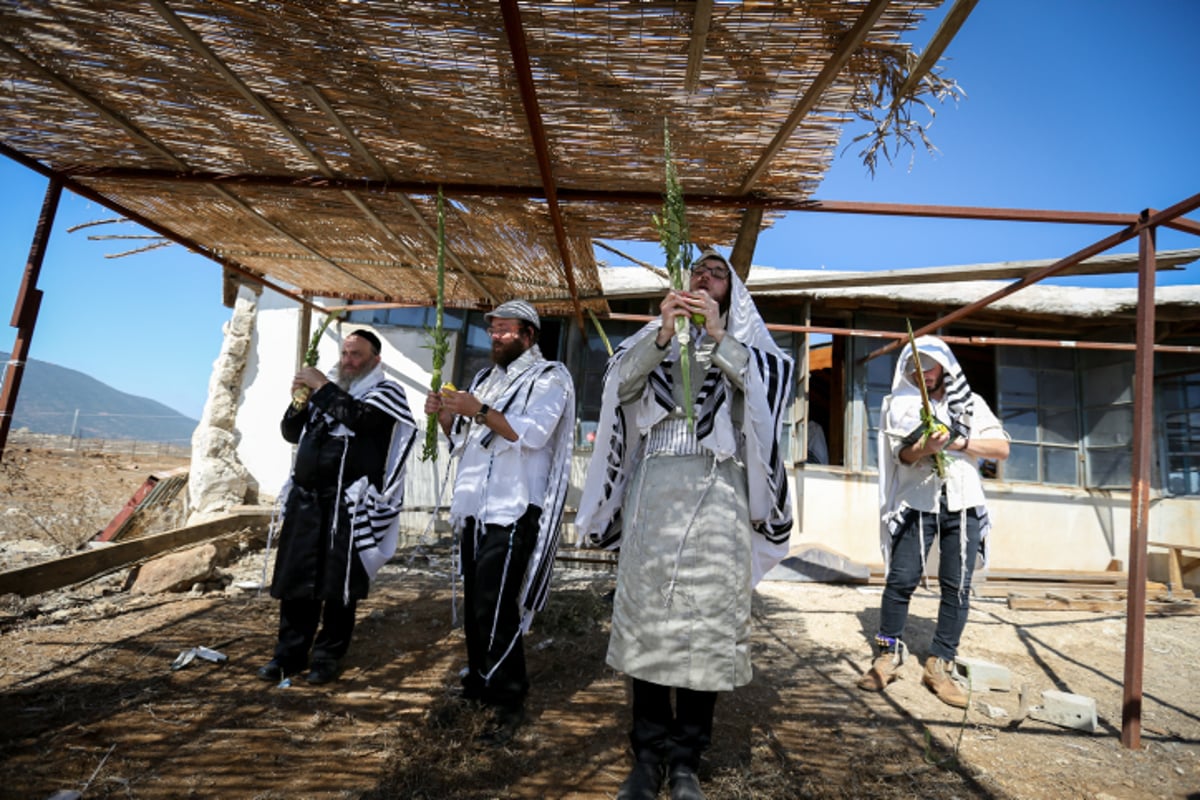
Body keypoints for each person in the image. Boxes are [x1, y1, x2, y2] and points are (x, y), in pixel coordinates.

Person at [576, 250, 793, 800]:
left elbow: (771, 393)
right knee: (650, 623)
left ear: (731, 291)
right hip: (654, 491)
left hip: (719, 491)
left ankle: (686, 762)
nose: (704, 278)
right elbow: (619, 388)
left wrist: (719, 338)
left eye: (717, 273)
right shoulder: (654, 336)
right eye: (697, 270)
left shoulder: (750, 346)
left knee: (707, 628)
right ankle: (646, 760)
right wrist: (663, 335)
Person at [423, 299, 575, 743]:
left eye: (506, 330)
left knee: (497, 603)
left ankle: (508, 700)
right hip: (476, 506)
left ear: (529, 335)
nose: (496, 336)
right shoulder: (485, 379)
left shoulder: (552, 376)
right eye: (493, 329)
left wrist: (479, 411)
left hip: (514, 505)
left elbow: (532, 433)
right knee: (477, 601)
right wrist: (449, 417)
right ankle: (479, 683)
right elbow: (472, 444)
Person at [857, 334, 1009, 707]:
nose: (921, 373)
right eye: (914, 366)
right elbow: (902, 455)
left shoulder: (971, 405)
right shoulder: (901, 405)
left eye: (927, 365)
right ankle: (887, 653)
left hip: (964, 503)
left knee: (956, 587)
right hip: (918, 502)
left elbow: (1000, 448)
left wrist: (956, 443)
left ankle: (940, 663)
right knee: (901, 580)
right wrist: (926, 447)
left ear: (944, 366)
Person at [258, 329, 417, 685]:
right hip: (306, 501)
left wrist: (322, 385)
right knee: (298, 581)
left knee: (338, 585)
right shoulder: (325, 393)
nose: (348, 361)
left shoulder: (385, 392)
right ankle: (288, 655)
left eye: (357, 355)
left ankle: (328, 657)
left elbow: (359, 419)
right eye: (345, 354)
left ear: (376, 360)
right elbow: (290, 432)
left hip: (347, 504)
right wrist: (300, 400)